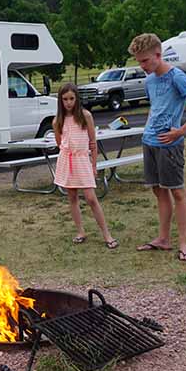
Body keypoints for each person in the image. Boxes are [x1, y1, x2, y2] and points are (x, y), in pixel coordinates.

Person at [128, 33, 186, 262]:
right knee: (158, 191)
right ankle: (163, 239)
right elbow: (157, 108)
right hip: (150, 141)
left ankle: (184, 243)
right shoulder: (150, 80)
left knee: (178, 192)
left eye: (145, 61)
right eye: (139, 61)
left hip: (170, 144)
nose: (142, 66)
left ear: (158, 54)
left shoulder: (177, 77)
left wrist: (181, 131)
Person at [52, 83, 118, 248]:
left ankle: (107, 234)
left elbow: (92, 142)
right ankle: (80, 231)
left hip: (82, 160)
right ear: (60, 100)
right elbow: (60, 144)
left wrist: (94, 166)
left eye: (72, 98)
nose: (68, 102)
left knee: (91, 198)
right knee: (72, 197)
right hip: (67, 161)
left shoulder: (85, 116)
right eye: (65, 99)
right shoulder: (57, 121)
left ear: (77, 99)